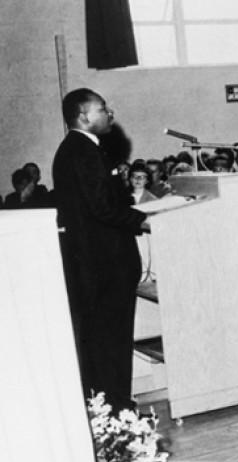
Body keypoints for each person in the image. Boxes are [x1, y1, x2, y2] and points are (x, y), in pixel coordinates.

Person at [54, 88, 147, 412]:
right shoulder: (84, 151)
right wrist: (143, 218)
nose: (110, 113)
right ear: (83, 115)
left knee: (99, 339)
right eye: (102, 108)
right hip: (107, 265)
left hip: (94, 264)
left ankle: (105, 404)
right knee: (113, 338)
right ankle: (118, 407)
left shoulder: (76, 149)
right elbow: (102, 208)